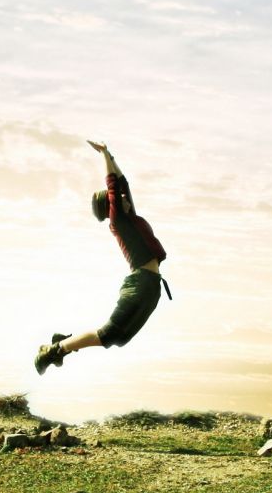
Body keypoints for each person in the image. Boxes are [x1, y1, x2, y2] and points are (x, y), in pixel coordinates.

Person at [34, 140, 171, 375]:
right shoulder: (119, 222)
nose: (123, 197)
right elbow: (114, 185)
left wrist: (113, 157)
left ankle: (63, 344)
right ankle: (54, 349)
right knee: (108, 335)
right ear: (110, 207)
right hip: (139, 285)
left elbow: (122, 183)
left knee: (120, 339)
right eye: (117, 198)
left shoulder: (131, 217)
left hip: (151, 287)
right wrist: (104, 155)